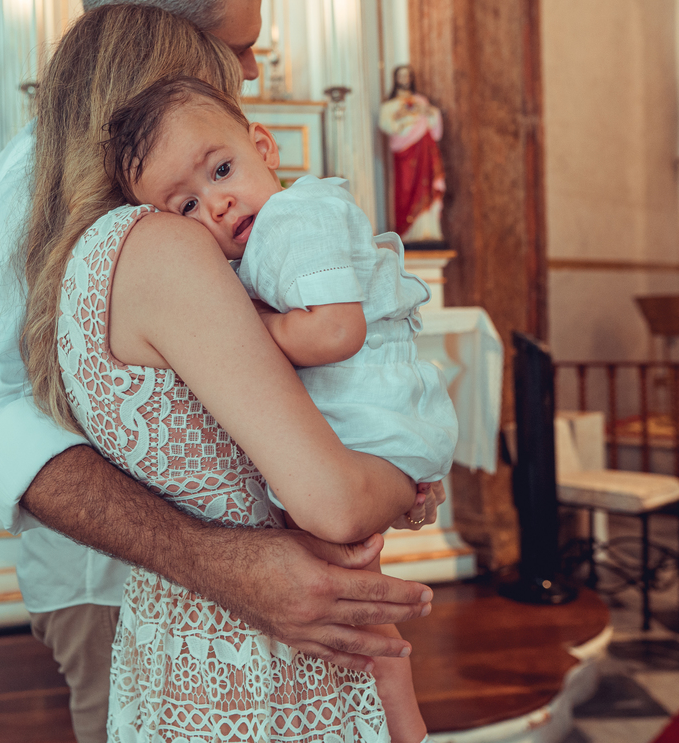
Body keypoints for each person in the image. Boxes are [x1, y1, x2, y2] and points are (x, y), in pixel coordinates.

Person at [0, 0, 443, 741]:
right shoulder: (139, 233)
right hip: (130, 584)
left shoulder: (145, 228)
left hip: (201, 598)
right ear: (163, 46)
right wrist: (372, 485)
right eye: (234, 47)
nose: (249, 68)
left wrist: (374, 456)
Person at [105, 74, 460, 742]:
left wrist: (242, 328)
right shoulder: (249, 243)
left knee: (342, 564)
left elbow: (335, 331)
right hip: (357, 415)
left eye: (221, 170)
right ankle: (394, 702)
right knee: (346, 576)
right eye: (186, 205)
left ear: (264, 148)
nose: (217, 203)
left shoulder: (299, 217)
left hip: (369, 410)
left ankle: (400, 707)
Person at [378, 65, 446, 245]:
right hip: (405, 152)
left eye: (407, 76)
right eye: (401, 76)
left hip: (424, 149)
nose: (404, 79)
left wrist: (429, 112)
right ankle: (408, 232)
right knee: (406, 187)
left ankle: (427, 231)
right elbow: (386, 124)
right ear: (396, 79)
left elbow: (434, 122)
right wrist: (401, 117)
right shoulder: (390, 105)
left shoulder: (421, 101)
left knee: (426, 185)